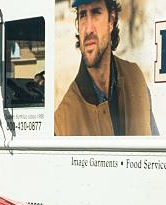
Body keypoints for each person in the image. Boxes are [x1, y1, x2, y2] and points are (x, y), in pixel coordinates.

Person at [54, 0, 158, 136]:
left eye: (96, 12)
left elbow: (157, 151)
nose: (88, 29)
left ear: (111, 20)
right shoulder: (61, 121)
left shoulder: (135, 77)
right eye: (83, 15)